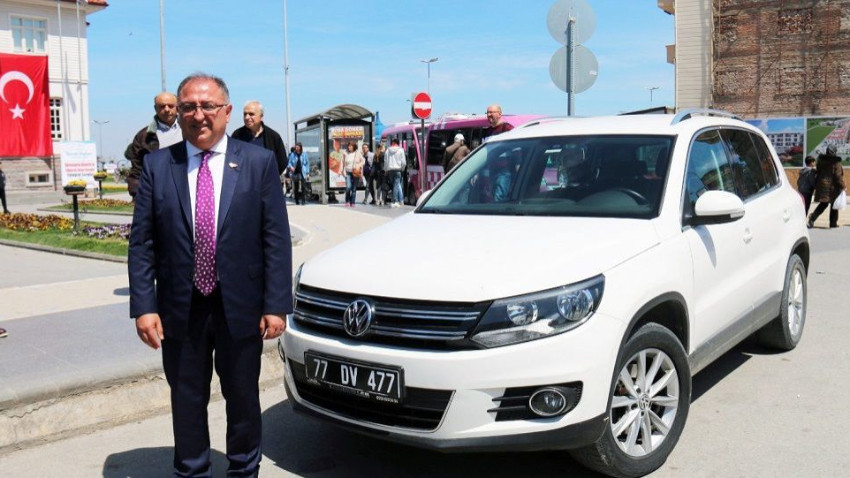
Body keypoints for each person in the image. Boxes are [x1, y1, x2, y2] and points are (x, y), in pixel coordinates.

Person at [128, 73, 292, 477]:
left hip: (242, 306)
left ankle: (243, 470)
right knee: (186, 401)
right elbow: (142, 243)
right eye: (188, 107)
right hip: (180, 309)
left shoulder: (257, 162)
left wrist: (276, 305)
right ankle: (192, 470)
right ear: (177, 113)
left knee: (243, 401)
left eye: (208, 106)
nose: (198, 115)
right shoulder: (158, 166)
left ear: (227, 111)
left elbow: (275, 238)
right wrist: (144, 307)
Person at [124, 92, 181, 198]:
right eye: (162, 106)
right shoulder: (143, 136)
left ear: (178, 107)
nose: (167, 109)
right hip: (157, 194)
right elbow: (137, 170)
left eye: (171, 106)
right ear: (155, 108)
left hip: (185, 191)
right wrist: (137, 195)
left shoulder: (190, 131)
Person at [231, 100, 288, 175]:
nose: (247, 117)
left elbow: (282, 162)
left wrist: (270, 177)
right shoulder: (237, 135)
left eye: (251, 114)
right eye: (245, 114)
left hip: (266, 184)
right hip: (244, 183)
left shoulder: (273, 137)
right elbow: (231, 159)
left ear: (261, 117)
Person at [807, 144, 845, 229]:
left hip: (822, 185)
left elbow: (818, 171)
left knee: (823, 204)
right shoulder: (836, 162)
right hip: (832, 186)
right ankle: (833, 223)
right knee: (834, 204)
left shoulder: (821, 161)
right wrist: (843, 186)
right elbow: (838, 176)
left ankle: (812, 217)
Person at [385, 138, 406, 207]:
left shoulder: (388, 150)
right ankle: (397, 200)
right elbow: (403, 162)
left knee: (395, 184)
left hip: (390, 170)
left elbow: (386, 161)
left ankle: (398, 200)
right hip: (398, 170)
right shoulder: (401, 150)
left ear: (393, 143)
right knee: (397, 184)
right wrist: (402, 169)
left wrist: (386, 169)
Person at [342, 142, 364, 207]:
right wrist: (342, 170)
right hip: (348, 172)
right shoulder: (345, 153)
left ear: (354, 147)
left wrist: (358, 165)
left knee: (354, 188)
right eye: (349, 146)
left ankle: (352, 202)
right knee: (348, 187)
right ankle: (347, 200)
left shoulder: (358, 153)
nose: (350, 147)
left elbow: (363, 160)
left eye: (351, 146)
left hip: (355, 172)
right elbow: (342, 162)